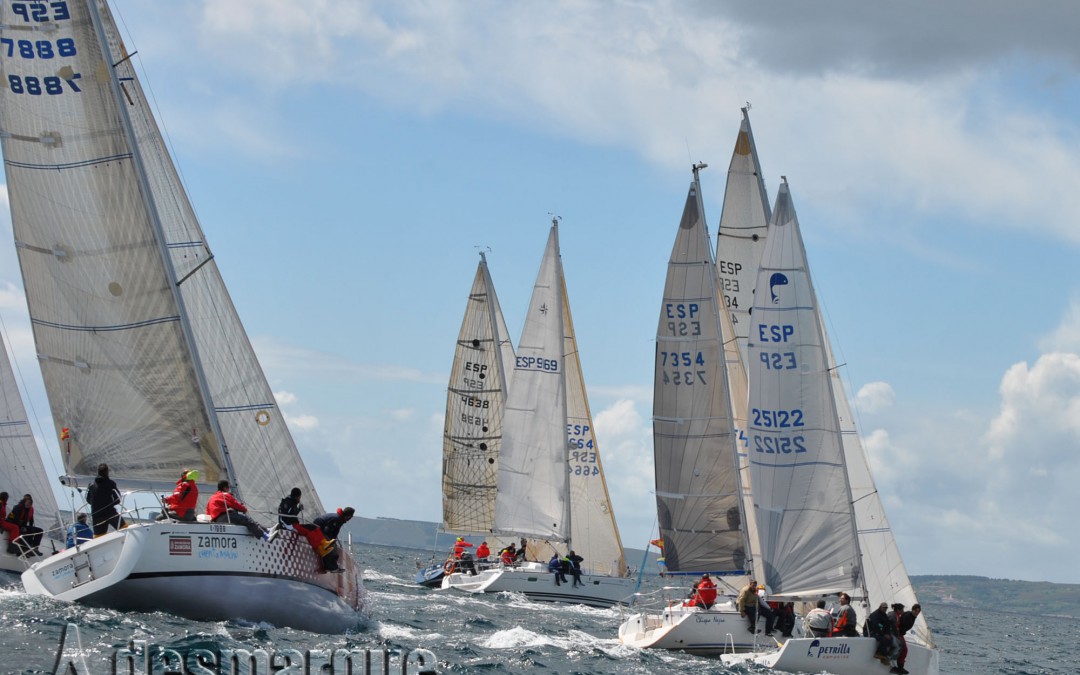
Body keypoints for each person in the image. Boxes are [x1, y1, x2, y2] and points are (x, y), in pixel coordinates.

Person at [206, 480, 271, 539]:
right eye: (228, 488)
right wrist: (244, 509)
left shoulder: (212, 497)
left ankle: (266, 530)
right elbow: (235, 504)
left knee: (246, 521)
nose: (229, 489)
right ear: (224, 488)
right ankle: (265, 536)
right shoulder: (225, 494)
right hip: (226, 517)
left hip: (217, 521)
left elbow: (208, 512)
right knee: (247, 520)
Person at [86, 463, 125, 536]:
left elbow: (88, 500)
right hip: (109, 513)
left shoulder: (91, 485)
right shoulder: (110, 483)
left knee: (99, 537)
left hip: (96, 515)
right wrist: (108, 503)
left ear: (98, 472)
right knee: (124, 528)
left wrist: (98, 504)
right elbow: (118, 499)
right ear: (107, 472)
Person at [865, 601, 901, 669]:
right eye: (884, 607)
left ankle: (885, 657)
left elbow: (887, 625)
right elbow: (876, 626)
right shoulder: (875, 615)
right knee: (884, 639)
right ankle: (879, 654)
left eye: (886, 608)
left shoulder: (884, 615)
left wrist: (888, 634)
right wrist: (884, 634)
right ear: (880, 607)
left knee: (890, 640)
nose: (885, 609)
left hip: (880, 632)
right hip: (871, 632)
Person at [894, 604, 921, 675]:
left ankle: (900, 667)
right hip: (897, 633)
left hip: (899, 633)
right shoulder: (908, 617)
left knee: (904, 649)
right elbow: (901, 625)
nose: (917, 612)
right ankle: (899, 668)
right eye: (916, 611)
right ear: (913, 610)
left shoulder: (911, 615)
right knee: (904, 649)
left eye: (918, 611)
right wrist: (900, 633)